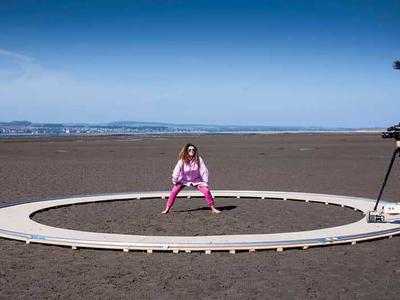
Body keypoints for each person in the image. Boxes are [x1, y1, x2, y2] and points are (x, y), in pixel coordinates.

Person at [161, 143, 221, 214]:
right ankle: (167, 208)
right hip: (183, 179)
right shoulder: (182, 160)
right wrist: (175, 181)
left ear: (195, 151)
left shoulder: (199, 159)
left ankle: (213, 208)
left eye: (193, 150)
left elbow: (204, 170)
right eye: (189, 150)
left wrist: (205, 182)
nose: (191, 151)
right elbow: (176, 171)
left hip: (196, 179)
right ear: (187, 151)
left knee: (206, 191)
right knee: (174, 191)